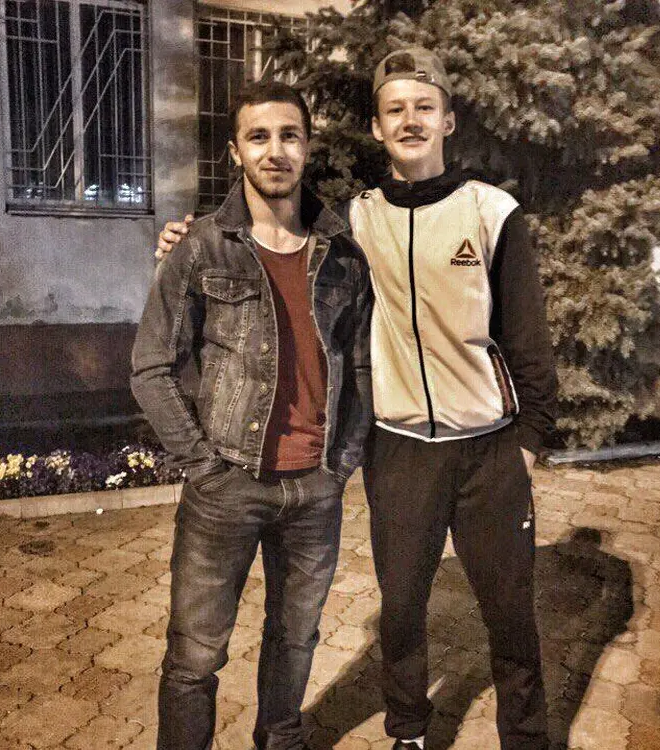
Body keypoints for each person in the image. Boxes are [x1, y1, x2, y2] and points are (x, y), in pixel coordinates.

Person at [157, 48, 557, 750]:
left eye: (424, 107)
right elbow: (268, 224)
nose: (410, 120)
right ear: (376, 127)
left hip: (489, 449)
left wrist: (529, 442)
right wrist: (187, 235)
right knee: (400, 613)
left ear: (447, 120)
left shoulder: (492, 212)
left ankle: (525, 739)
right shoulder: (354, 222)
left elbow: (527, 335)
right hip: (398, 451)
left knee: (511, 619)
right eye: (395, 109)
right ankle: (408, 733)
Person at [132, 80, 373, 750]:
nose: (275, 151)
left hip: (314, 489)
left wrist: (341, 463)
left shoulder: (342, 253)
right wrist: (205, 468)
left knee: (296, 638)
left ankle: (279, 738)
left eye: (289, 135)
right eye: (258, 137)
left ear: (307, 146)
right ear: (236, 151)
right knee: (195, 657)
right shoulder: (202, 247)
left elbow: (360, 370)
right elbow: (151, 366)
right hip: (226, 487)